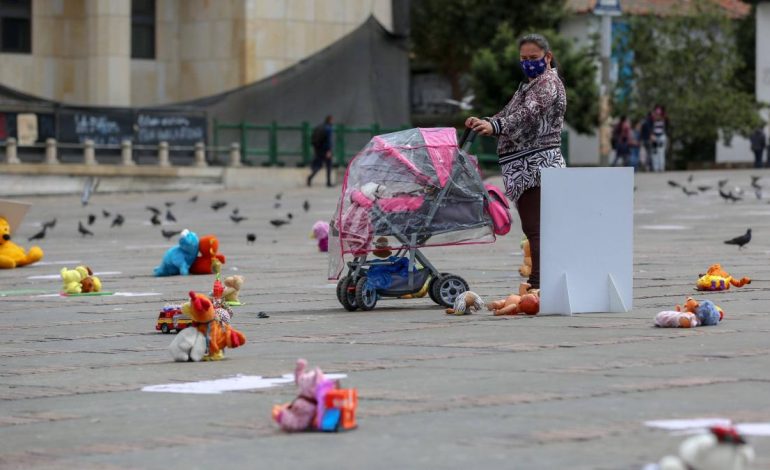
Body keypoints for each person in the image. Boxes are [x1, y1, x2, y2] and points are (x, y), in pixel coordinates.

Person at [464, 33, 566, 294]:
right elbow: (508, 112)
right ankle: (542, 281)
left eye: (534, 58)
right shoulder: (530, 85)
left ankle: (538, 284)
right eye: (524, 59)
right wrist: (485, 121)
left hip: (536, 167)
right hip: (526, 166)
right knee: (537, 228)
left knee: (536, 229)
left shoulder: (546, 84)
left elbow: (526, 114)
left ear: (548, 57)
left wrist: (495, 126)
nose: (528, 63)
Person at [307, 115, 334, 187]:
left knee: (319, 165)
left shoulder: (321, 127)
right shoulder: (328, 129)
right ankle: (328, 182)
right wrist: (329, 151)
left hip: (319, 150)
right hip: (326, 150)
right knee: (328, 166)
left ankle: (310, 177)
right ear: (330, 120)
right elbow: (328, 141)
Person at [649, 106, 667, 172]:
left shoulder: (664, 120)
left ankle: (661, 167)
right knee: (655, 153)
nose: (657, 115)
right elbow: (650, 129)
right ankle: (656, 168)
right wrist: (651, 136)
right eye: (656, 114)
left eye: (659, 114)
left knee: (661, 152)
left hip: (661, 137)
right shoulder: (652, 121)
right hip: (654, 137)